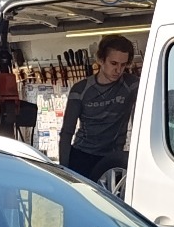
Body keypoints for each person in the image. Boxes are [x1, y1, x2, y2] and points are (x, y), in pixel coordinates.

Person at [58, 35, 137, 183]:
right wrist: (63, 169)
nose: (118, 70)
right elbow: (67, 131)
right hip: (82, 156)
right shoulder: (80, 90)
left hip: (112, 159)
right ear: (101, 60)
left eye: (123, 65)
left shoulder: (131, 85)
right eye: (113, 63)